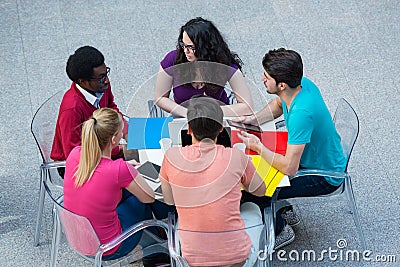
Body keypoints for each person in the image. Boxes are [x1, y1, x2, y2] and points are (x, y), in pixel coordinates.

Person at [236, 48, 347, 249]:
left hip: (324, 175)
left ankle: (281, 230)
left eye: (267, 77)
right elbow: (279, 104)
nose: (262, 79)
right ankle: (284, 208)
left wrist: (258, 147)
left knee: (252, 190)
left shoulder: (301, 114)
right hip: (315, 155)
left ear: (282, 84)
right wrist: (253, 121)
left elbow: (289, 168)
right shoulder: (302, 85)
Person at [159, 96, 266, 266]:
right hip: (237, 259)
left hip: (192, 260)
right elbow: (261, 191)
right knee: (251, 207)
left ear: (188, 129)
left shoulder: (171, 157)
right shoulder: (236, 157)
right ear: (222, 129)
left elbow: (170, 200)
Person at [63, 108, 169, 265]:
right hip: (111, 247)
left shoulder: (75, 153)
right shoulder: (118, 169)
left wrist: (127, 171)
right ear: (114, 139)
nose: (123, 135)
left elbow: (102, 175)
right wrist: (134, 172)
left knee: (130, 191)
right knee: (146, 198)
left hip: (78, 237)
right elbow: (149, 197)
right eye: (121, 132)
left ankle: (157, 241)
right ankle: (158, 246)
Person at [51, 46, 130, 177]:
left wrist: (126, 130)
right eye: (100, 77)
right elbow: (75, 153)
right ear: (83, 82)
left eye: (106, 73)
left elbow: (111, 107)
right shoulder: (71, 110)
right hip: (79, 163)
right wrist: (116, 150)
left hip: (104, 146)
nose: (106, 80)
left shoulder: (101, 86)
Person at [155, 17, 254, 118]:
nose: (185, 51)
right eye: (183, 45)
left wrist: (208, 112)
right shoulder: (173, 59)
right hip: (183, 117)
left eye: (191, 47)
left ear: (206, 48)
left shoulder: (224, 64)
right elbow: (160, 98)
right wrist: (188, 113)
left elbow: (247, 107)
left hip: (217, 117)